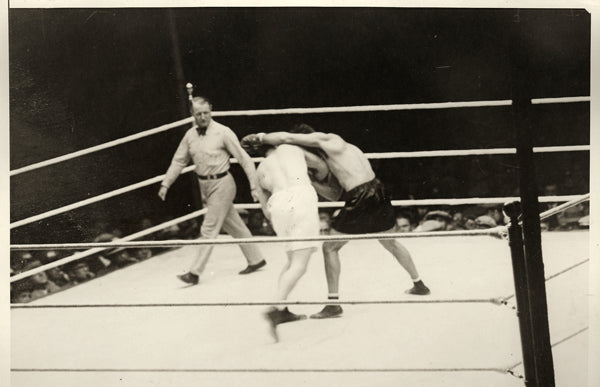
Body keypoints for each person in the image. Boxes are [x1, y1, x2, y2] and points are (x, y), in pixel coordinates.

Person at [243, 126, 429, 319]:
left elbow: (286, 137)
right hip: (377, 189)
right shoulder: (341, 153)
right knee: (390, 242)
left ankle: (333, 304)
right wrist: (309, 180)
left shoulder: (329, 140)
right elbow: (335, 194)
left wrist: (260, 137)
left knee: (329, 248)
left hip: (362, 195)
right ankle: (419, 284)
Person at [158, 96, 266, 285]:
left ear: (211, 111)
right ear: (192, 114)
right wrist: (166, 183)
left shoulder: (223, 132)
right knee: (233, 224)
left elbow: (244, 159)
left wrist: (254, 186)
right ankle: (256, 259)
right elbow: (179, 160)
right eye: (198, 114)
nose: (202, 117)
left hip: (223, 183)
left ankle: (194, 272)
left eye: (206, 113)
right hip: (205, 186)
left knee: (208, 228)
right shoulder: (190, 135)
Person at [241, 134, 321, 341]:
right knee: (300, 264)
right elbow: (321, 167)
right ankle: (275, 307)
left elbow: (264, 207)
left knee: (290, 260)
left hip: (277, 204)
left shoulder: (260, 169)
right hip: (301, 197)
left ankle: (282, 309)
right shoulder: (291, 149)